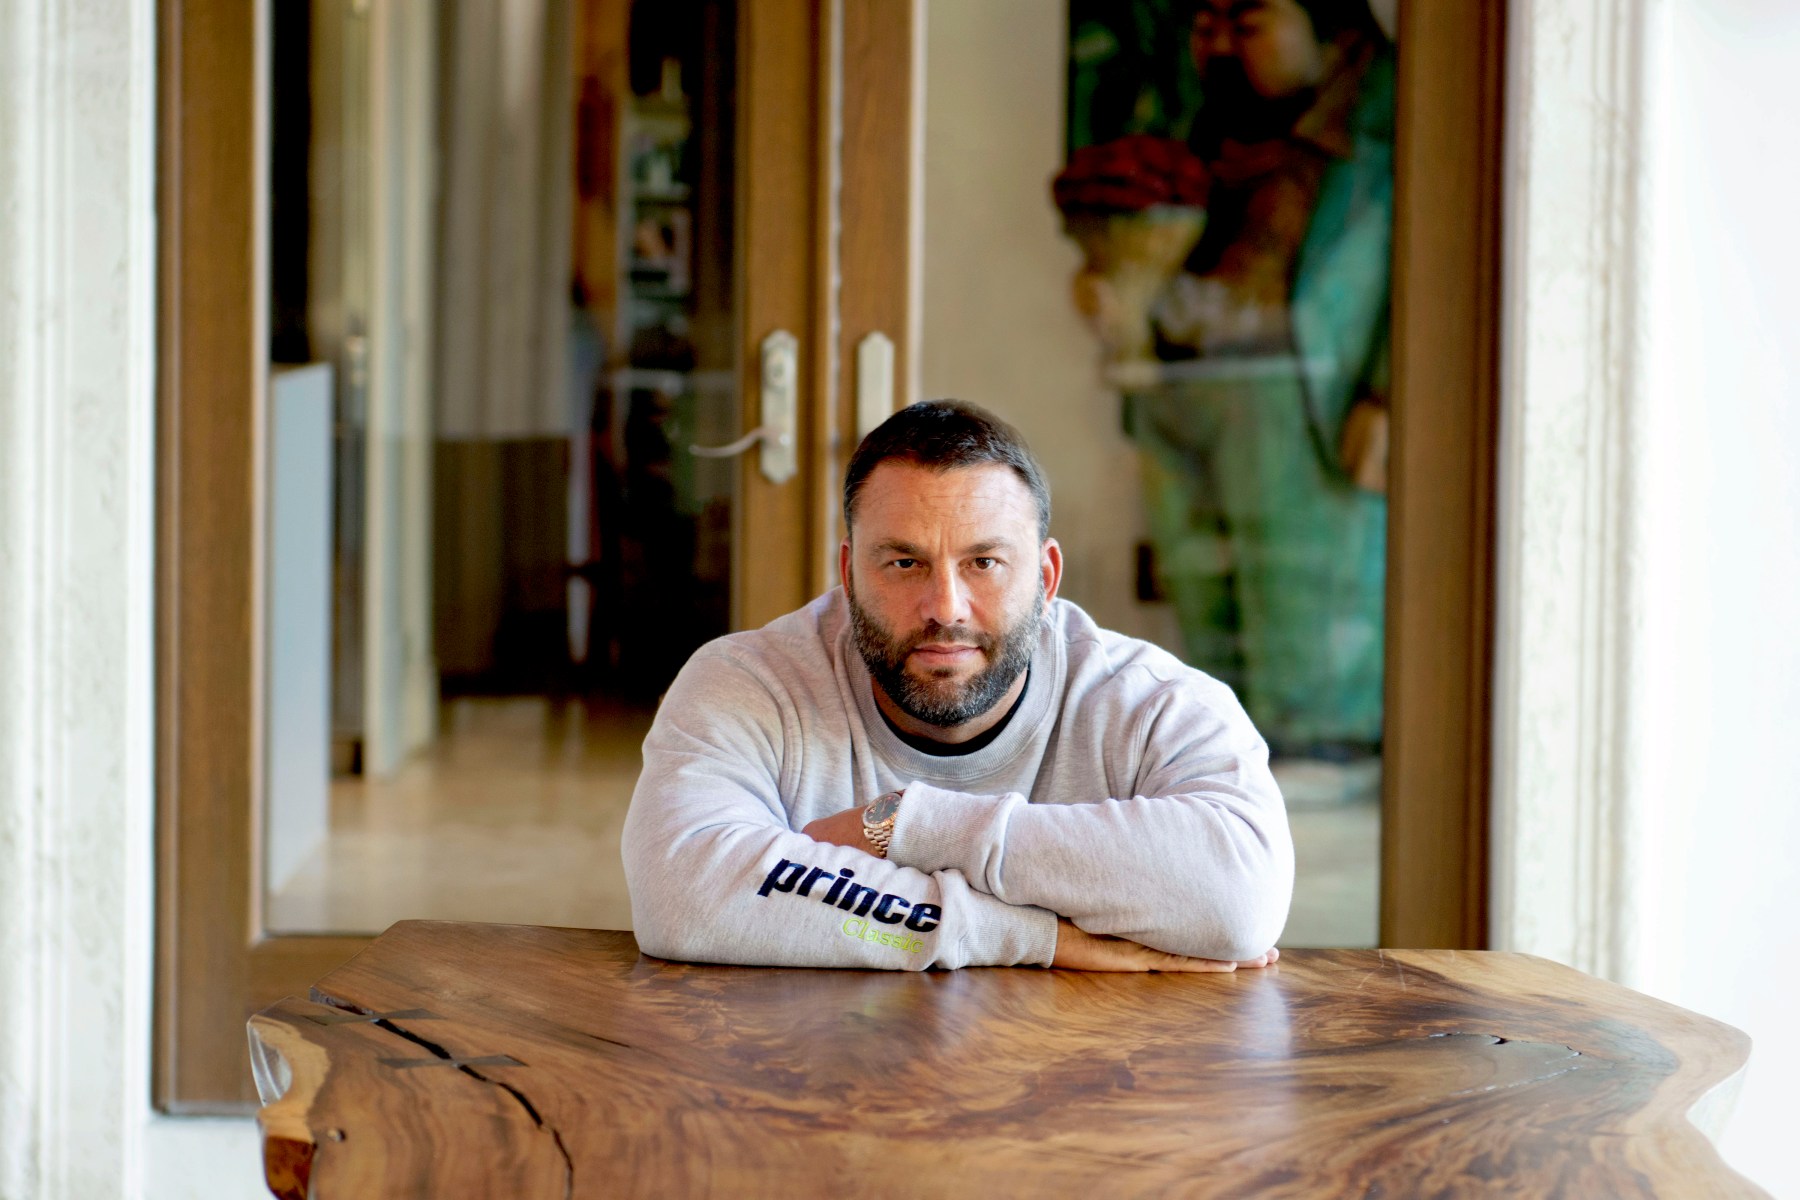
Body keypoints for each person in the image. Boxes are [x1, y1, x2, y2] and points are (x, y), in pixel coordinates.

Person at [622, 401, 1292, 972]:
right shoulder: (745, 686)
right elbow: (683, 895)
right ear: (850, 571)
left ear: (1047, 578)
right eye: (905, 562)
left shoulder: (1152, 705)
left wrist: (902, 827)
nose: (946, 606)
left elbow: (1240, 899)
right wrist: (1034, 937)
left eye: (985, 562)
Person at [1085, 0, 1394, 772]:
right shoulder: (1204, 130)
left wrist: (1392, 391)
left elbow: (1435, 267)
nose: (1219, 45)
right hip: (1189, 387)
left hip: (1297, 398)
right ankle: (1217, 778)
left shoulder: (1390, 129)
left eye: (1247, 24)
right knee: (1206, 609)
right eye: (1205, 25)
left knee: (1303, 616)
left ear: (1333, 37)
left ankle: (1310, 771)